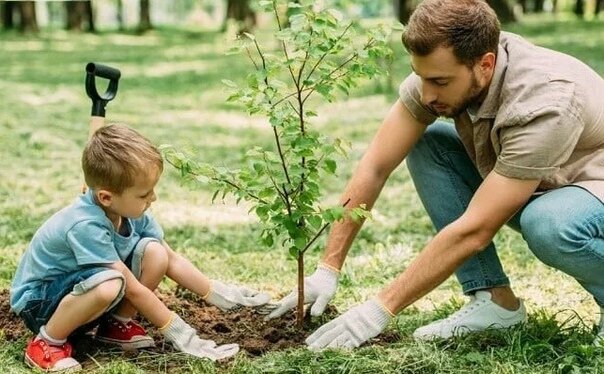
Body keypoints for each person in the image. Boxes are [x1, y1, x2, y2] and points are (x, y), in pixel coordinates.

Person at [267, 0, 604, 349]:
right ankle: (494, 301)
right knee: (430, 145)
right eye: (421, 76)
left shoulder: (545, 101)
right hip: (542, 182)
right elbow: (376, 165)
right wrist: (328, 268)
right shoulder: (447, 70)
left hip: (592, 187)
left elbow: (475, 229)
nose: (427, 94)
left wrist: (379, 309)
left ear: (485, 65)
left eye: (440, 81)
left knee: (549, 223)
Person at [10, 124, 271, 371]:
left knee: (155, 252)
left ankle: (115, 326)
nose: (153, 198)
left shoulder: (128, 210)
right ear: (106, 197)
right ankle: (47, 342)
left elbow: (170, 258)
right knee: (111, 282)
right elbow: (132, 289)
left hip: (79, 293)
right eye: (144, 194)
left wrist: (218, 294)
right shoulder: (84, 225)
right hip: (41, 303)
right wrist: (180, 332)